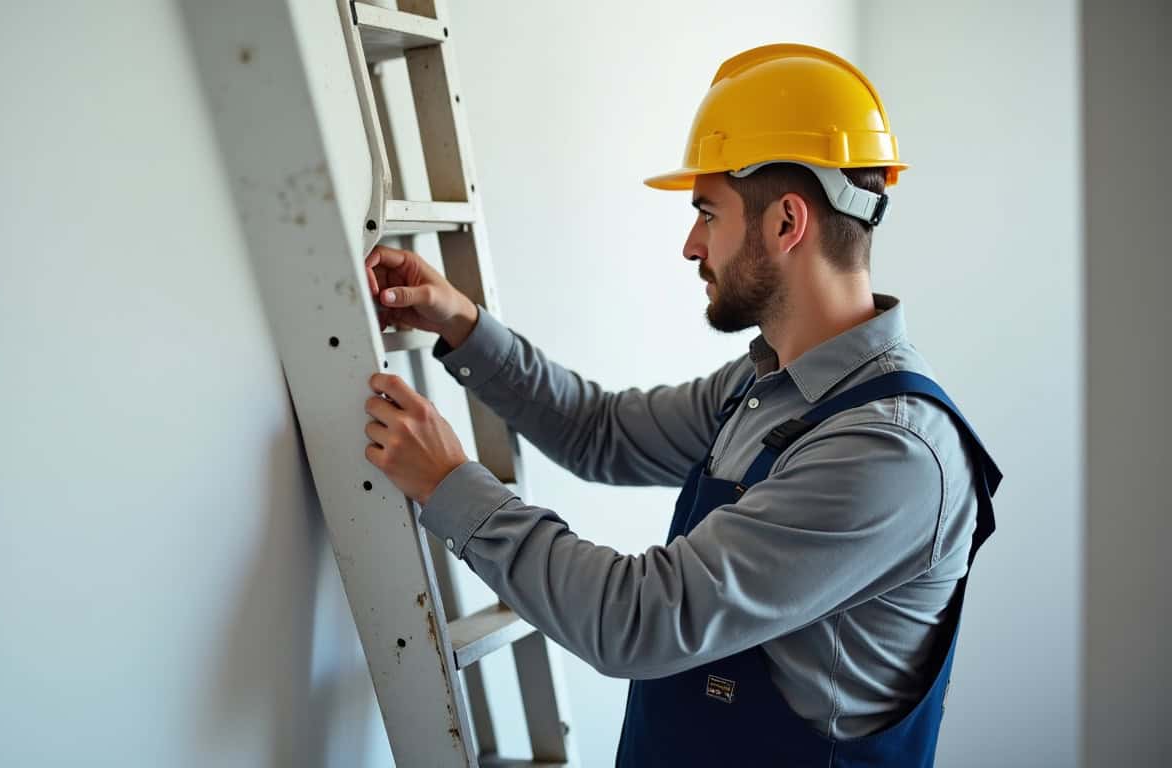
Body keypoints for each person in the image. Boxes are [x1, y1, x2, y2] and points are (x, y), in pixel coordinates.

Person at [361, 43, 1001, 767]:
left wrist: (450, 486)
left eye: (707, 212)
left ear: (787, 223)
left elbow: (639, 621)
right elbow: (598, 432)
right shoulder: (761, 388)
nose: (691, 244)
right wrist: (463, 325)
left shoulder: (887, 454)